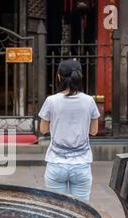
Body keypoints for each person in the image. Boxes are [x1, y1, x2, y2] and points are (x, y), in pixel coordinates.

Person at [38, 59, 100, 201]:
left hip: (56, 163)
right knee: (82, 211)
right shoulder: (89, 101)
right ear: (79, 77)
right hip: (81, 164)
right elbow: (94, 131)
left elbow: (43, 129)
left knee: (56, 210)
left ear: (59, 77)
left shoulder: (51, 101)